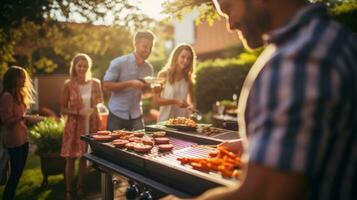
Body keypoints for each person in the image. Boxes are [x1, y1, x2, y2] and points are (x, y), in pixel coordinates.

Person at [164, 0, 357, 200]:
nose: (230, 25)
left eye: (228, 8)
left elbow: (262, 194)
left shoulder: (297, 60)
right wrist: (255, 143)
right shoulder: (337, 39)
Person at [60, 53, 103, 200]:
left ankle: (80, 187)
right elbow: (63, 108)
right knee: (71, 159)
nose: (82, 68)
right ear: (75, 67)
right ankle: (68, 190)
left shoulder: (95, 83)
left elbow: (100, 101)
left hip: (90, 124)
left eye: (85, 66)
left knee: (84, 157)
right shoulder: (68, 84)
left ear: (88, 67)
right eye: (79, 65)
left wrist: (96, 103)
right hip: (74, 125)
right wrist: (78, 111)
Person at [0, 66, 42, 200]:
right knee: (14, 175)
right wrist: (24, 118)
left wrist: (30, 119)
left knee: (17, 174)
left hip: (23, 139)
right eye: (21, 77)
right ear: (13, 79)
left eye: (24, 77)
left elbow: (19, 117)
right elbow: (7, 122)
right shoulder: (7, 96)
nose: (24, 80)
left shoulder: (19, 94)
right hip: (13, 141)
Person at [103, 31, 155, 131]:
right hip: (116, 114)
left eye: (150, 48)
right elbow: (106, 85)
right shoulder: (119, 62)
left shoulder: (149, 68)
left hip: (137, 115)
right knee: (112, 145)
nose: (148, 50)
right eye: (145, 46)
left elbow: (145, 93)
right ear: (135, 44)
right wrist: (129, 83)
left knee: (139, 145)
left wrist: (154, 91)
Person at [154, 44, 196, 122]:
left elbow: (191, 102)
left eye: (188, 58)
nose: (185, 61)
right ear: (176, 56)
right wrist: (175, 101)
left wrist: (192, 108)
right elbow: (156, 100)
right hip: (165, 122)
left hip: (183, 123)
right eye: (183, 57)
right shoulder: (163, 74)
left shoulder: (188, 78)